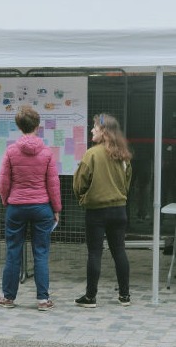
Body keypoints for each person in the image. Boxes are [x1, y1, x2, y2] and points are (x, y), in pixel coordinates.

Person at [0, 105, 62, 311]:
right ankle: (43, 299)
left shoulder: (11, 151)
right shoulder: (47, 152)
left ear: (18, 126)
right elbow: (53, 183)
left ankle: (8, 297)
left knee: (13, 251)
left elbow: (3, 182)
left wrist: (6, 200)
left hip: (16, 206)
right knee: (41, 252)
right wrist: (56, 208)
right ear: (37, 125)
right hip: (42, 206)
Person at [73, 113, 132, 308]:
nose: (92, 130)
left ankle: (90, 297)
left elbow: (80, 182)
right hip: (119, 210)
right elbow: (127, 183)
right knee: (119, 251)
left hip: (96, 211)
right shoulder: (123, 155)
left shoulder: (92, 154)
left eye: (95, 128)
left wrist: (83, 197)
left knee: (95, 253)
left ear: (104, 132)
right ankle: (125, 295)